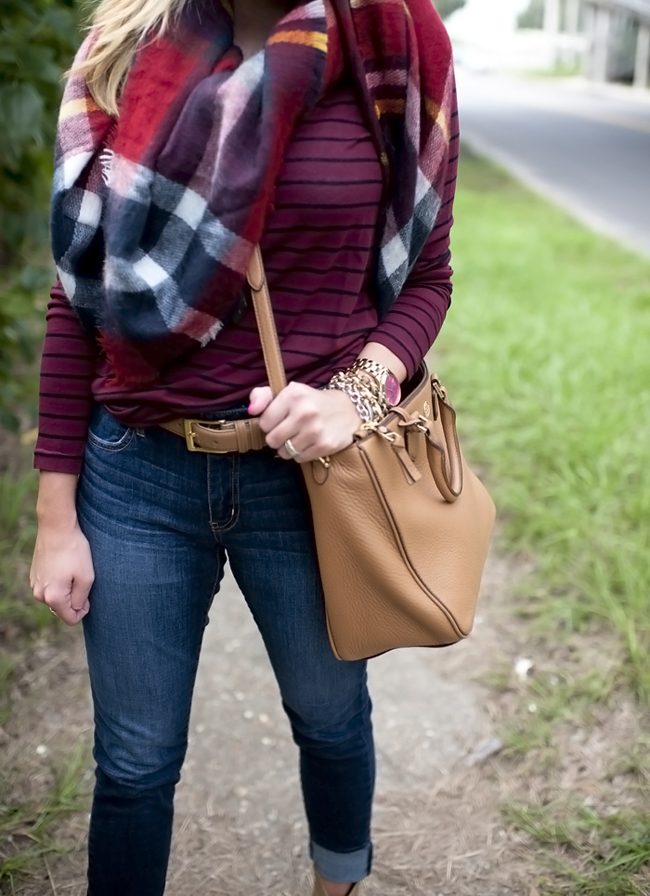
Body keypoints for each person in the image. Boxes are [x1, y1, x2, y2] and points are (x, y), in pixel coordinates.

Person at [29, 0, 458, 890]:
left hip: (311, 488)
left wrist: (357, 392)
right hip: (137, 477)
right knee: (136, 763)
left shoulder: (397, 50)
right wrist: (55, 515)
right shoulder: (124, 52)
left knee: (331, 718)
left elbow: (428, 277)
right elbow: (79, 302)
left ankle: (335, 883)